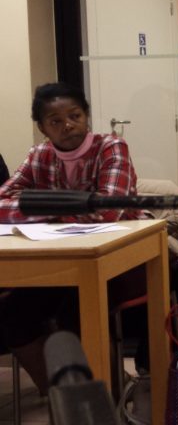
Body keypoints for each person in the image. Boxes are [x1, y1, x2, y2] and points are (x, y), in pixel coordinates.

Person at [0, 82, 146, 394]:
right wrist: (62, 210)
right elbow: (1, 202)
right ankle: (62, 398)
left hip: (120, 258)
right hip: (61, 263)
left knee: (77, 312)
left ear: (86, 116)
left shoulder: (110, 147)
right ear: (42, 128)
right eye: (55, 121)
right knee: (13, 317)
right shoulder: (39, 155)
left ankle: (109, 396)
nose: (67, 125)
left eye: (75, 116)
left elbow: (108, 209)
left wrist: (42, 208)